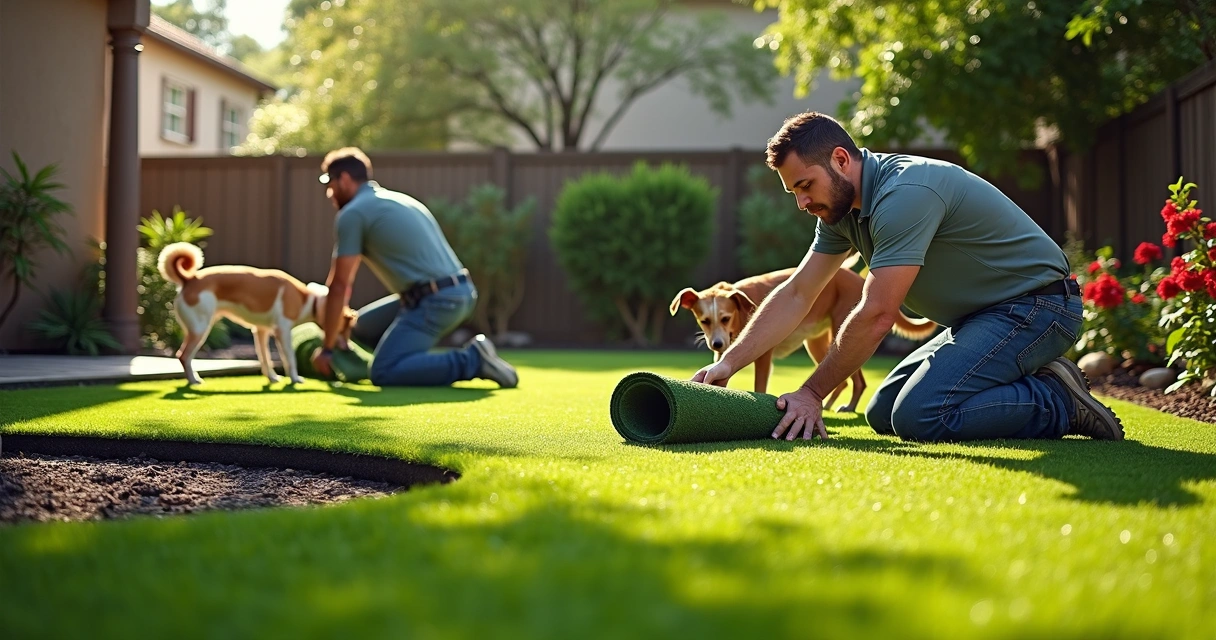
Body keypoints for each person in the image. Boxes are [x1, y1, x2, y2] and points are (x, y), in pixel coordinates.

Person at [693, 112, 1123, 443]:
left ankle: (1057, 400)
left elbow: (878, 313)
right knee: (883, 413)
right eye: (794, 192)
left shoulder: (905, 194)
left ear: (840, 160)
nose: (802, 203)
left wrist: (811, 393)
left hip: (1039, 307)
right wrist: (728, 362)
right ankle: (1026, 379)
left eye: (806, 186)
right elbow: (798, 293)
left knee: (921, 414)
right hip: (979, 321)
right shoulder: (840, 212)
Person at [310, 147, 518, 389]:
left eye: (330, 184)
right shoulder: (401, 199)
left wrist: (327, 348)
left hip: (437, 301)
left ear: (344, 179)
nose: (329, 193)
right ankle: (399, 357)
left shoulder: (353, 213)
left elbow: (339, 286)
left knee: (384, 372)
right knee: (360, 327)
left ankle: (472, 361)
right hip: (458, 292)